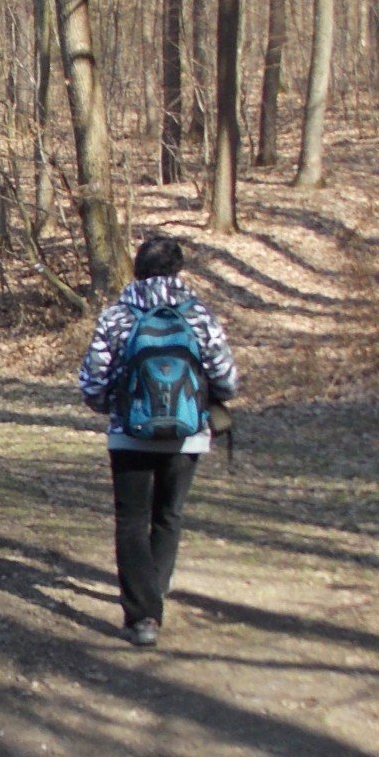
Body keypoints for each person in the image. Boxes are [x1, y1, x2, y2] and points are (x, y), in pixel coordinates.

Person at [77, 236, 239, 647]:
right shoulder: (199, 315)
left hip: (128, 436)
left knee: (131, 521)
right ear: (178, 271)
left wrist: (114, 408)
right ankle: (155, 591)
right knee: (169, 515)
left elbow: (93, 381)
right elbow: (228, 379)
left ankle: (142, 615)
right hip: (187, 436)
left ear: (137, 269)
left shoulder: (116, 316)